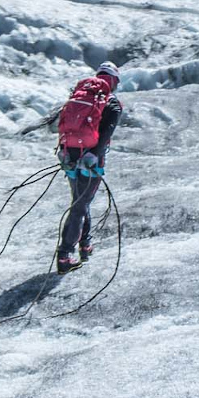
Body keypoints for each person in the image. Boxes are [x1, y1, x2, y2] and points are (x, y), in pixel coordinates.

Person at [55, 62, 123, 274]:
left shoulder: (81, 96)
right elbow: (105, 136)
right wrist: (95, 155)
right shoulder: (111, 103)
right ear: (113, 81)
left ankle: (85, 244)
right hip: (90, 160)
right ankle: (65, 255)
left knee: (81, 200)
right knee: (79, 205)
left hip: (70, 155)